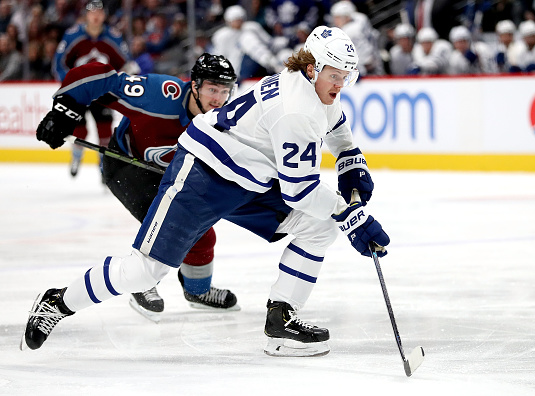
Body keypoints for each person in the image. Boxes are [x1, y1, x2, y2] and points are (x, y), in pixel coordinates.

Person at [22, 25, 390, 357]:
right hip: (203, 174)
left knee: (318, 227)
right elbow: (301, 192)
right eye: (335, 75)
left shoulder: (310, 83)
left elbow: (336, 124)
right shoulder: (297, 111)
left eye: (347, 76)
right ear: (313, 68)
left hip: (249, 177)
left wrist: (350, 161)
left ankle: (282, 321)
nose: (341, 84)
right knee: (145, 272)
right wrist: (352, 217)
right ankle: (57, 302)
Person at [34, 53, 240, 322]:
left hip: (172, 176)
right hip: (127, 165)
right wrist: (63, 112)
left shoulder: (223, 120)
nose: (218, 99)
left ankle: (197, 291)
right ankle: (139, 280)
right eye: (212, 89)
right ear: (195, 85)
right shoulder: (159, 96)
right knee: (165, 223)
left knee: (202, 232)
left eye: (225, 91)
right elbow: (99, 76)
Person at [53, 0, 134, 178]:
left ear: (104, 15)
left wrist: (122, 81)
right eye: (92, 12)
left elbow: (126, 64)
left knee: (105, 132)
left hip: (103, 94)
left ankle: (103, 165)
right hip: (79, 96)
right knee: (79, 132)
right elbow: (58, 64)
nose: (96, 16)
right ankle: (76, 156)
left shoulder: (113, 36)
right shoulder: (73, 35)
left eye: (99, 12)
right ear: (86, 15)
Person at [212, 5, 288, 82]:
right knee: (247, 39)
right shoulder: (222, 36)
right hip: (238, 70)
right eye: (235, 20)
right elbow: (220, 56)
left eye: (240, 19)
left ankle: (275, 66)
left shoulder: (252, 28)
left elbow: (268, 43)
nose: (238, 22)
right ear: (229, 21)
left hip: (259, 64)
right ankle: (274, 66)